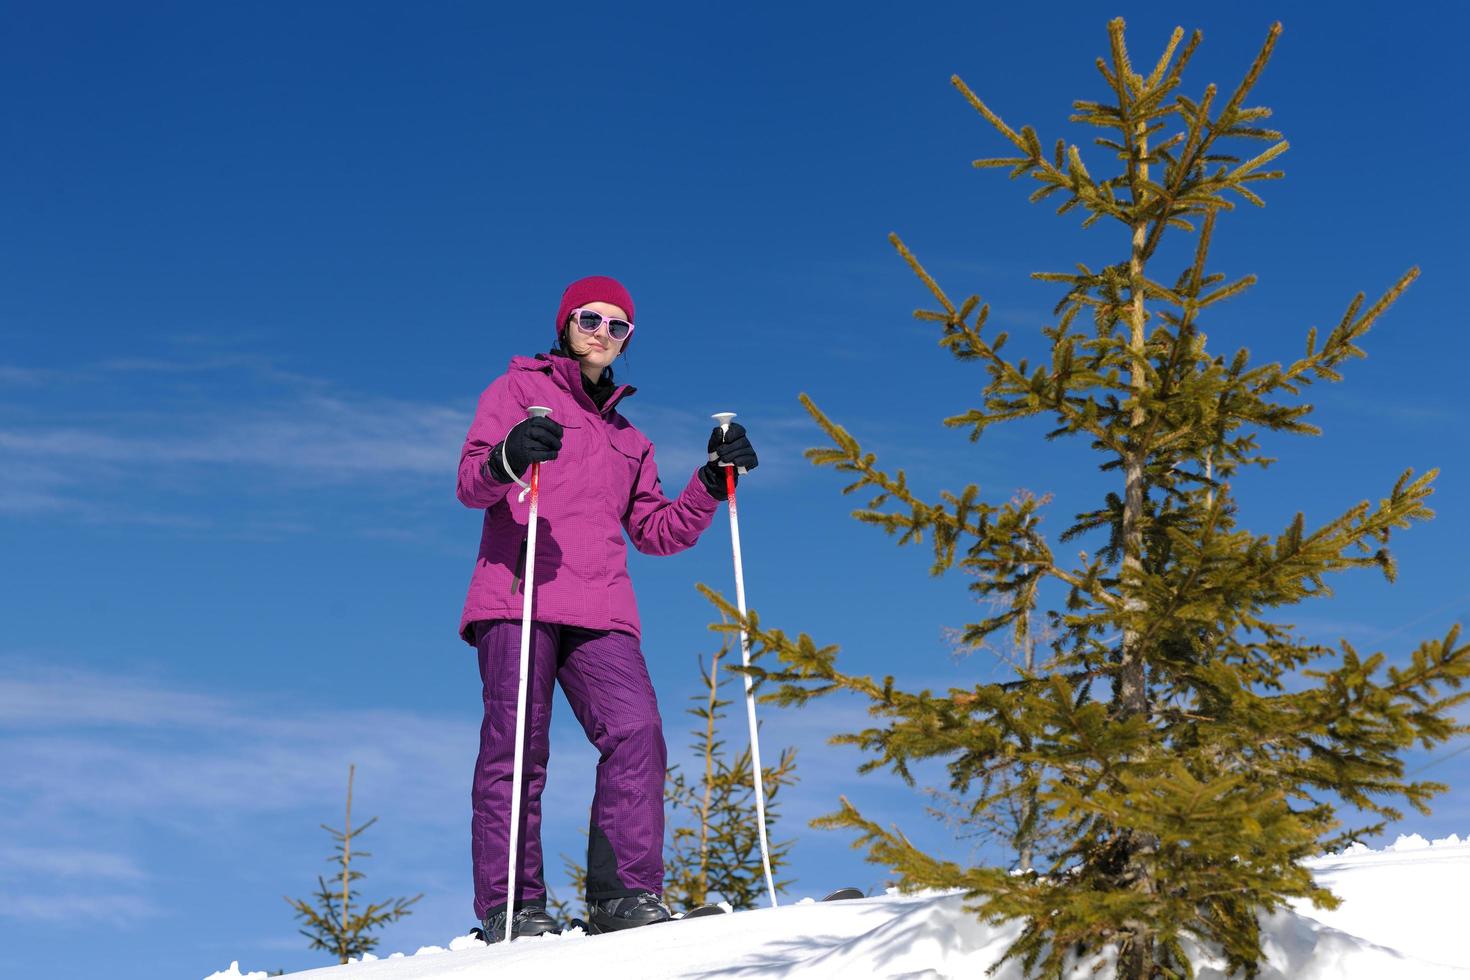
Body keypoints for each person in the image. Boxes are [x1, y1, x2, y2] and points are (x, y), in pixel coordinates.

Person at [455, 275, 758, 941]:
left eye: (618, 326)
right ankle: (512, 909)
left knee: (637, 731)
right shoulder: (515, 393)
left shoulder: (630, 440)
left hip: (602, 610)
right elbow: (470, 483)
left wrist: (710, 483)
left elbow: (657, 532)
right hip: (519, 595)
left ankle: (623, 898)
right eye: (591, 318)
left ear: (626, 343)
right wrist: (510, 456)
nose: (602, 332)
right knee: (517, 747)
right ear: (565, 322)